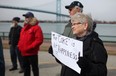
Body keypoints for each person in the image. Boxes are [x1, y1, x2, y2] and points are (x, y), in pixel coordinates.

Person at [48, 1, 84, 76]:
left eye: (70, 9)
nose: (68, 11)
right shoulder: (68, 25)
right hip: (66, 64)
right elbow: (64, 38)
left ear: (78, 10)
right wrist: (56, 46)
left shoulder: (85, 26)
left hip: (77, 65)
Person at [18, 12, 43, 76]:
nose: (26, 18)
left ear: (31, 18)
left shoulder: (36, 27)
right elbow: (21, 39)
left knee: (34, 69)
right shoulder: (24, 28)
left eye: (27, 17)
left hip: (32, 53)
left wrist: (29, 47)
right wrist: (19, 46)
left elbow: (39, 40)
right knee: (26, 69)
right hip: (24, 53)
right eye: (25, 17)